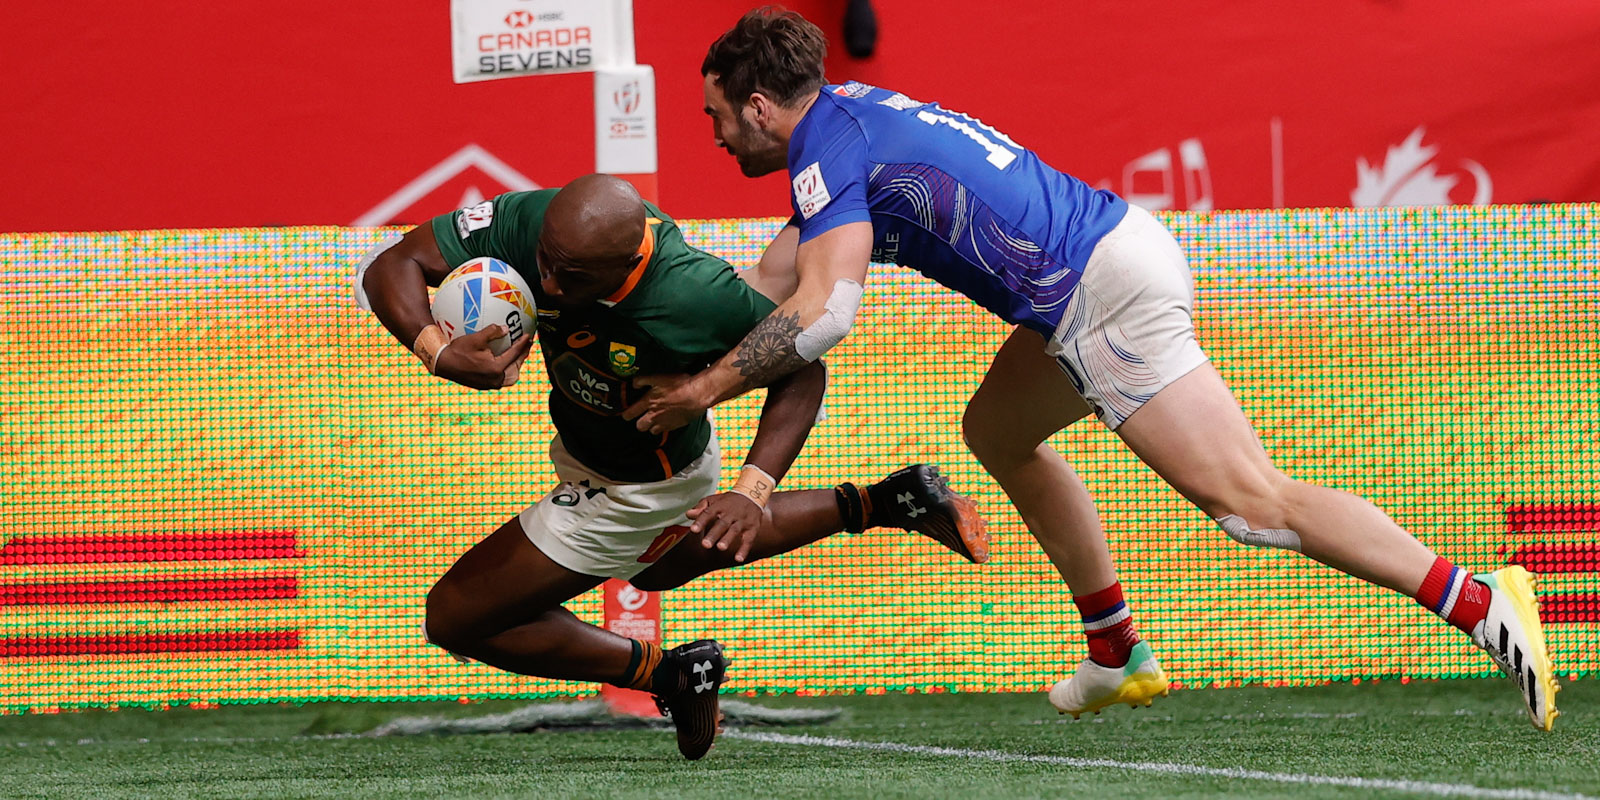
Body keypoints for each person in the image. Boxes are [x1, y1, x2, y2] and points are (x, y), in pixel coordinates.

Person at [622, 8, 1559, 730]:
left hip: (1098, 294)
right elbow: (765, 287)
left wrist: (705, 394)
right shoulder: (842, 127)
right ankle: (1115, 647)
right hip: (1092, 273)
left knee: (1251, 504)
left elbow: (823, 314)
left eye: (713, 116)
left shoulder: (828, 147)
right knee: (995, 430)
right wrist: (633, 336)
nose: (712, 136)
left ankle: (1482, 602)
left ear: (755, 106)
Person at [355, 174, 991, 760]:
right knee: (663, 567)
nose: (547, 285)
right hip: (613, 457)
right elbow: (395, 264)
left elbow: (802, 368)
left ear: (627, 263)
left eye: (569, 277)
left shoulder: (691, 292)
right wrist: (437, 352)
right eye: (544, 263)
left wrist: (752, 488)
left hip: (633, 487)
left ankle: (667, 674)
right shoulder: (537, 222)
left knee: (456, 617)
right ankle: (888, 500)